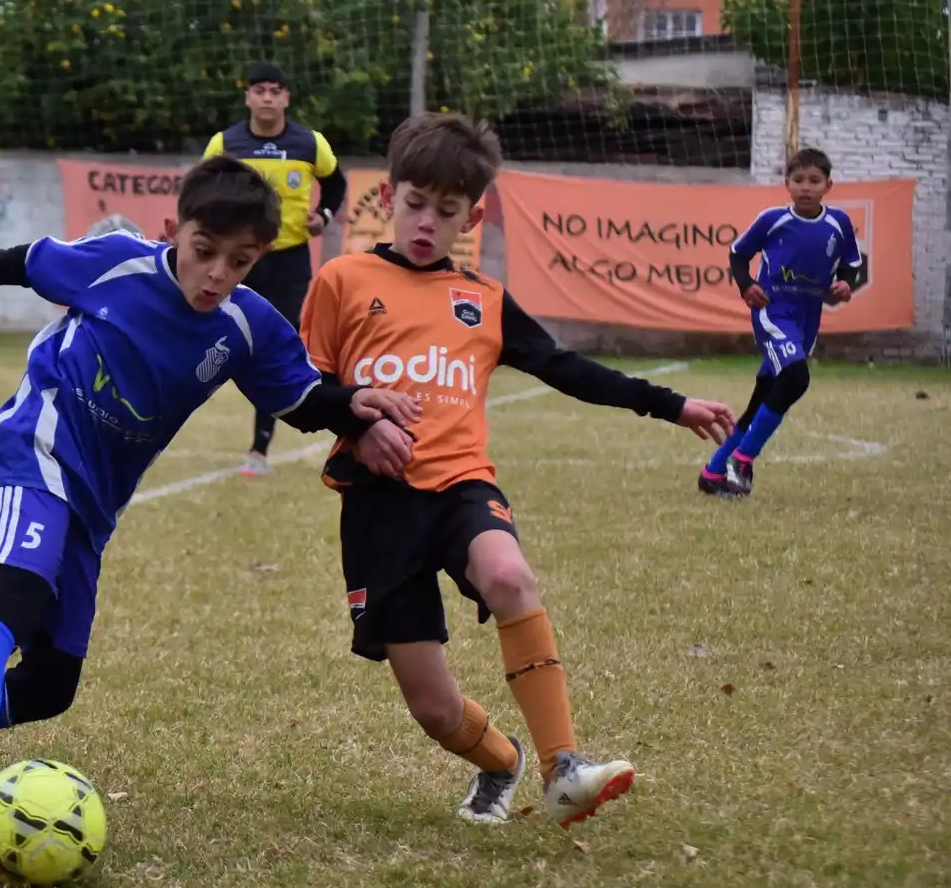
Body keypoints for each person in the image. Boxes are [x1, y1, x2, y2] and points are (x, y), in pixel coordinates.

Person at [0, 156, 420, 874]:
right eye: (204, 252)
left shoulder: (248, 326)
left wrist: (355, 406)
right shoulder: (120, 264)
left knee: (49, 682)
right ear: (171, 231)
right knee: (8, 595)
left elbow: (301, 398)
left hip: (93, 504)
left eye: (240, 261)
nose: (217, 274)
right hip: (32, 452)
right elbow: (31, 260)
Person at [298, 113, 737, 828]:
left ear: (471, 216)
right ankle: (502, 762)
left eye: (445, 212)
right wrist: (356, 423)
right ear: (389, 197)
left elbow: (567, 369)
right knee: (434, 708)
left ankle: (565, 766)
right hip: (379, 506)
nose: (425, 223)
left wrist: (671, 404)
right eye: (413, 204)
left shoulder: (484, 300)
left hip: (463, 486)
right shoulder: (343, 280)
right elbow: (297, 390)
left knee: (508, 575)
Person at [202, 62, 348, 477]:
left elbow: (336, 184)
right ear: (248, 97)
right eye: (259, 90)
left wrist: (324, 214)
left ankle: (259, 448)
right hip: (238, 259)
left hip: (289, 260)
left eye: (275, 90)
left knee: (278, 346)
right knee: (209, 334)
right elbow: (202, 187)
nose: (267, 97)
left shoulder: (310, 143)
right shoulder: (225, 143)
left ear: (286, 98)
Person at [699, 147, 864, 498]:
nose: (806, 187)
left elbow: (851, 261)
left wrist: (846, 282)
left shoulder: (839, 224)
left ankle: (713, 472)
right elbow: (738, 253)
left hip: (807, 317)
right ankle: (742, 462)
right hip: (773, 311)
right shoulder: (772, 219)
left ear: (828, 185)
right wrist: (746, 285)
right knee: (795, 377)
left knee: (765, 397)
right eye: (798, 180)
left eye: (814, 180)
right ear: (787, 183)